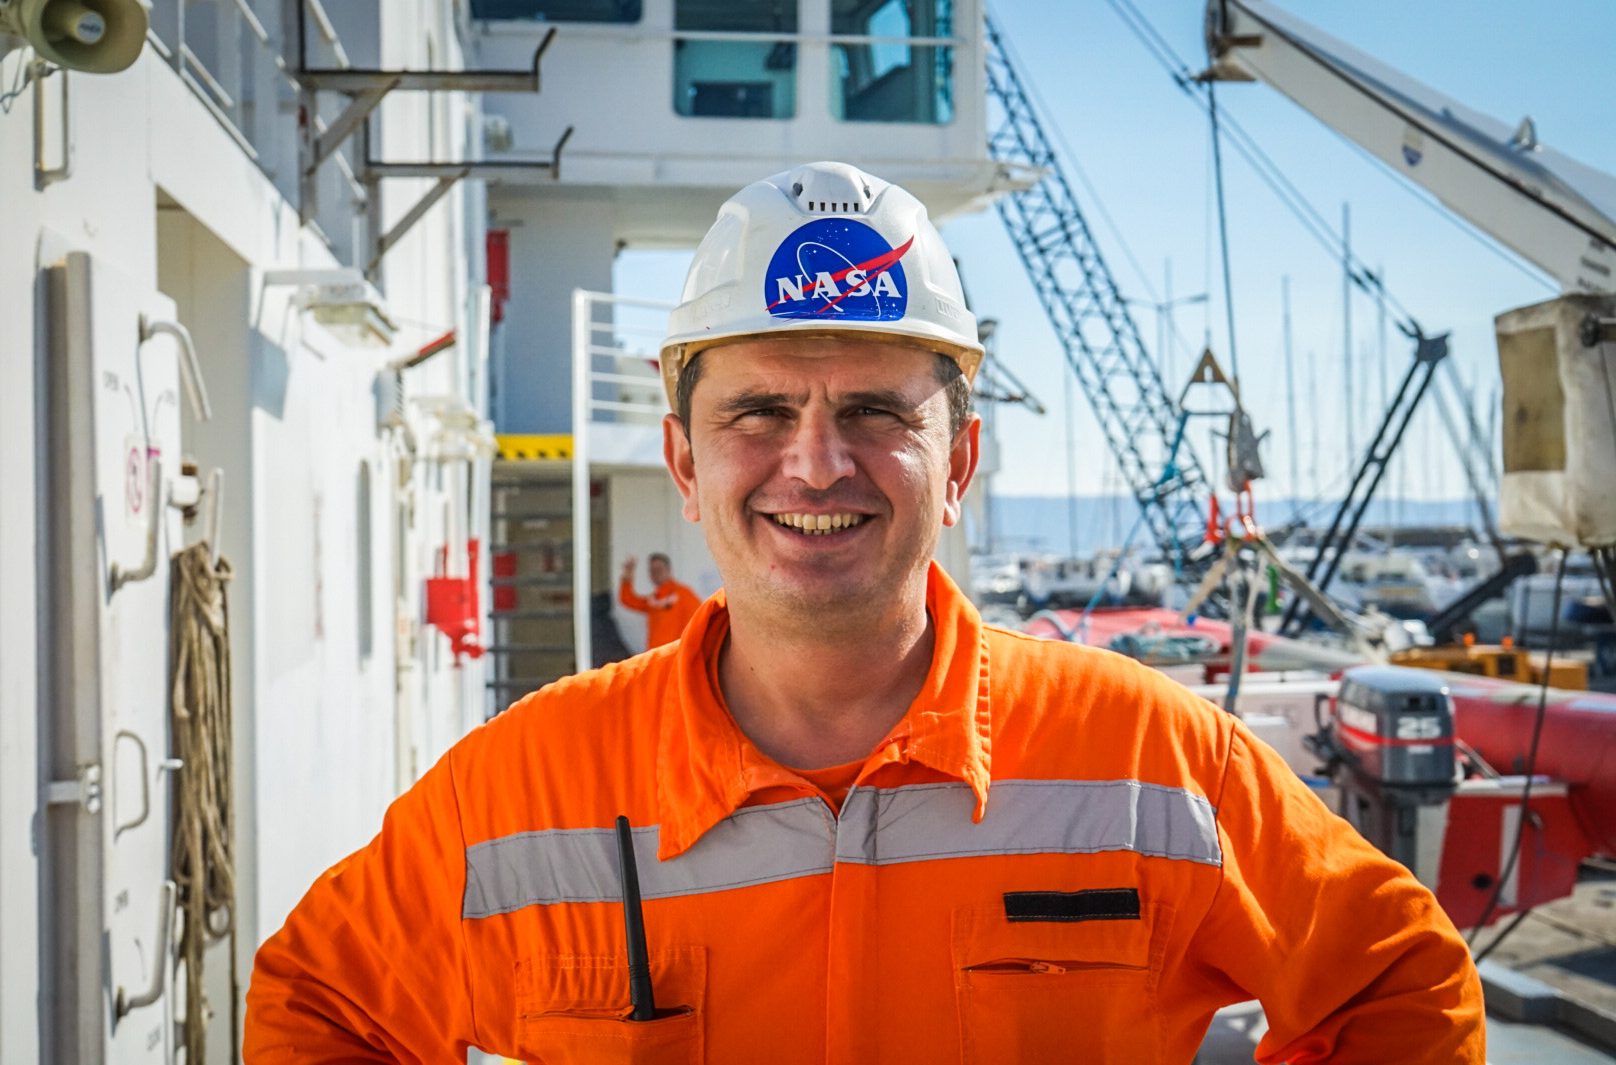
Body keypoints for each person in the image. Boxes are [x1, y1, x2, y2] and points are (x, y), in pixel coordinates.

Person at [245, 162, 1483, 1062]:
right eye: (760, 414)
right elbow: (319, 1011)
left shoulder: (1150, 759)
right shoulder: (519, 785)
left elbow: (1400, 990)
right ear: (684, 465)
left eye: (879, 413)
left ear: (958, 465)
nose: (818, 464)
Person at [618, 552, 702, 650]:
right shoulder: (654, 599)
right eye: (652, 570)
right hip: (655, 657)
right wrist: (628, 574)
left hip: (676, 656)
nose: (655, 573)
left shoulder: (683, 594)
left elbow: (698, 623)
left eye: (659, 569)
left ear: (669, 569)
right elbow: (628, 600)